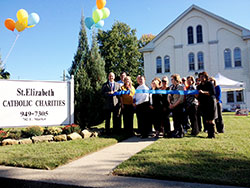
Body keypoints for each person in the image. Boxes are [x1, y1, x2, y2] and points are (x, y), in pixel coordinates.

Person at [197, 72, 218, 138]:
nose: (202, 78)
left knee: (211, 119)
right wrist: (196, 96)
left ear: (206, 77)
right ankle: (209, 134)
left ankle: (212, 134)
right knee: (206, 119)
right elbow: (199, 96)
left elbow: (212, 92)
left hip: (211, 103)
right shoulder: (199, 86)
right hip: (204, 104)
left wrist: (204, 92)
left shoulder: (209, 84)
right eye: (200, 77)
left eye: (203, 76)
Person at [169, 74, 185, 138]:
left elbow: (181, 98)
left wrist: (174, 105)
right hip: (173, 105)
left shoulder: (180, 87)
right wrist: (170, 103)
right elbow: (169, 95)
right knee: (175, 120)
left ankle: (181, 133)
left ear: (176, 80)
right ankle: (176, 132)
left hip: (178, 105)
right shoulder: (171, 87)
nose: (171, 80)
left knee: (179, 120)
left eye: (172, 79)